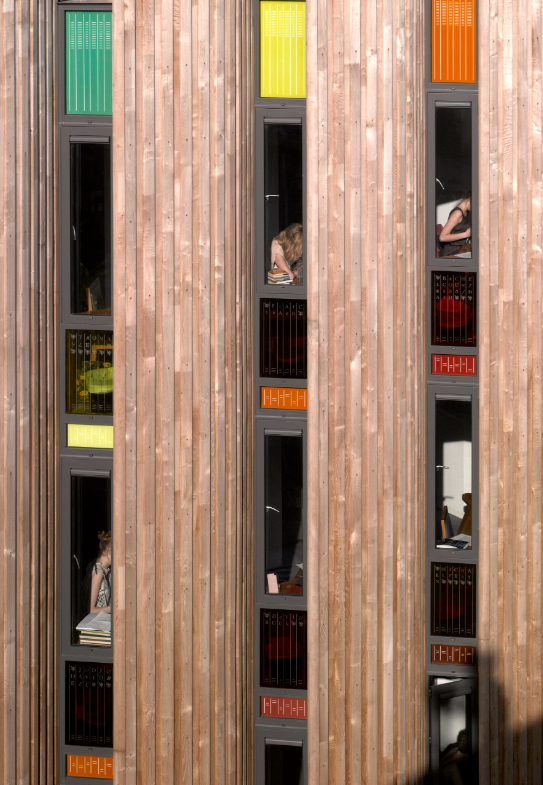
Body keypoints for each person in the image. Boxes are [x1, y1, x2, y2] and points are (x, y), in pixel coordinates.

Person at [439, 192, 471, 257]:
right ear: (470, 199)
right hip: (454, 252)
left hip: (463, 250)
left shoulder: (466, 212)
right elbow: (442, 237)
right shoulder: (458, 213)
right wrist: (466, 234)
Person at [88, 530, 112, 614]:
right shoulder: (98, 572)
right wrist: (116, 607)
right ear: (110, 550)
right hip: (97, 625)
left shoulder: (106, 570)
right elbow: (92, 610)